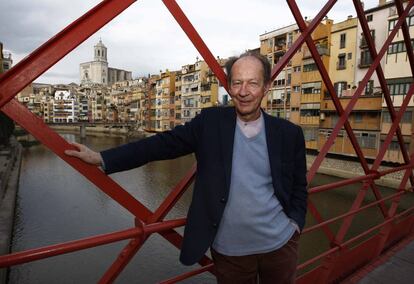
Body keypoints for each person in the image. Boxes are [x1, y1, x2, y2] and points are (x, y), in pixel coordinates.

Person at [65, 51, 308, 283]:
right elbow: (163, 145)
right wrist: (103, 158)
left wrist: (295, 225)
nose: (243, 92)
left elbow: (299, 186)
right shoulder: (211, 123)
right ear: (229, 86)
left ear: (266, 87)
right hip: (230, 251)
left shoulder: (288, 133)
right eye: (236, 83)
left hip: (279, 245)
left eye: (253, 83)